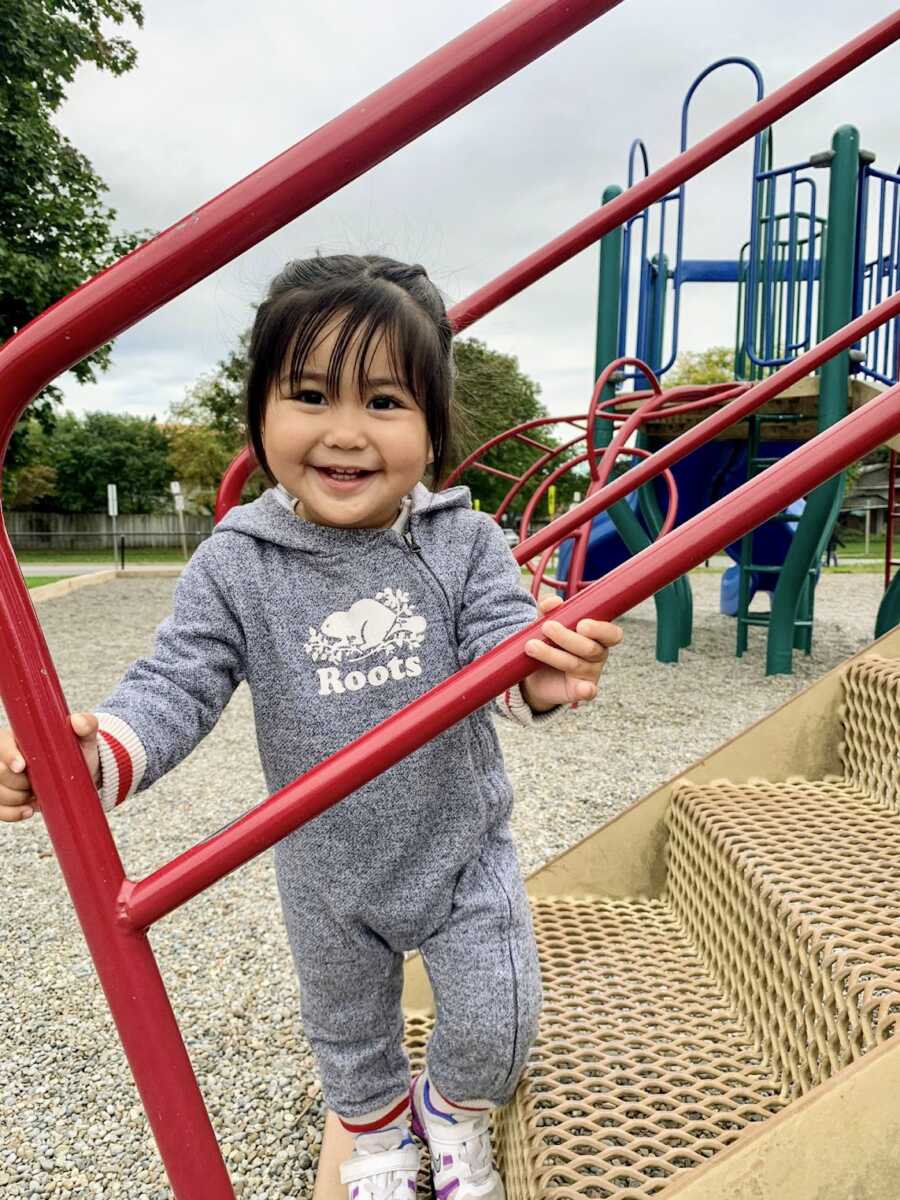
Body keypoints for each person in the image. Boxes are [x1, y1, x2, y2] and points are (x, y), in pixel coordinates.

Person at [0, 255, 623, 1200]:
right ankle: (377, 1148)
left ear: (432, 426)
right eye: (308, 396)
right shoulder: (237, 564)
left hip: (461, 849)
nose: (344, 434)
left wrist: (543, 673)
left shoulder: (463, 542)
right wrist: (91, 755)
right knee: (350, 1038)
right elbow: (177, 683)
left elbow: (506, 646)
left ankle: (452, 1118)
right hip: (327, 870)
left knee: (497, 1020)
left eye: (383, 401)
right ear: (259, 415)